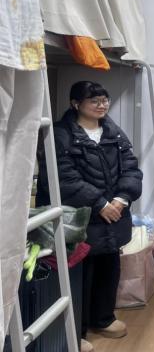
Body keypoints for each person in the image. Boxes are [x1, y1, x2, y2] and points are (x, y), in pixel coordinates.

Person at [37, 81, 142, 350]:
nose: (101, 105)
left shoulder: (113, 132)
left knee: (109, 268)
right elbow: (63, 178)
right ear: (76, 104)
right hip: (82, 216)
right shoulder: (60, 134)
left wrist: (121, 199)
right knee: (80, 275)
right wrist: (100, 203)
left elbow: (131, 167)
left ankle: (103, 319)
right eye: (94, 101)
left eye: (104, 100)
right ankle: (76, 331)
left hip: (114, 214)